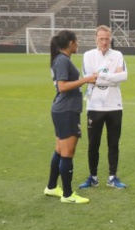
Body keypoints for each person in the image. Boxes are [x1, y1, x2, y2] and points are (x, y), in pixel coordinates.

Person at [43, 30, 97, 204]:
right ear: (71, 43)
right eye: (77, 41)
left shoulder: (61, 60)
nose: (78, 44)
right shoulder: (62, 61)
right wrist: (86, 80)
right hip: (66, 111)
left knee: (60, 149)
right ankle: (67, 194)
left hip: (64, 110)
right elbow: (62, 86)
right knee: (68, 152)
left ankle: (51, 187)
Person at [79, 25, 128, 189]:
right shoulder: (88, 55)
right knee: (93, 144)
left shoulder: (118, 55)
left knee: (113, 143)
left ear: (111, 39)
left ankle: (112, 177)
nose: (105, 42)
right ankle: (93, 177)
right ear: (96, 39)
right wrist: (112, 77)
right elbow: (89, 78)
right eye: (101, 39)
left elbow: (124, 76)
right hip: (95, 105)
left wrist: (101, 75)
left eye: (107, 39)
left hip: (114, 105)